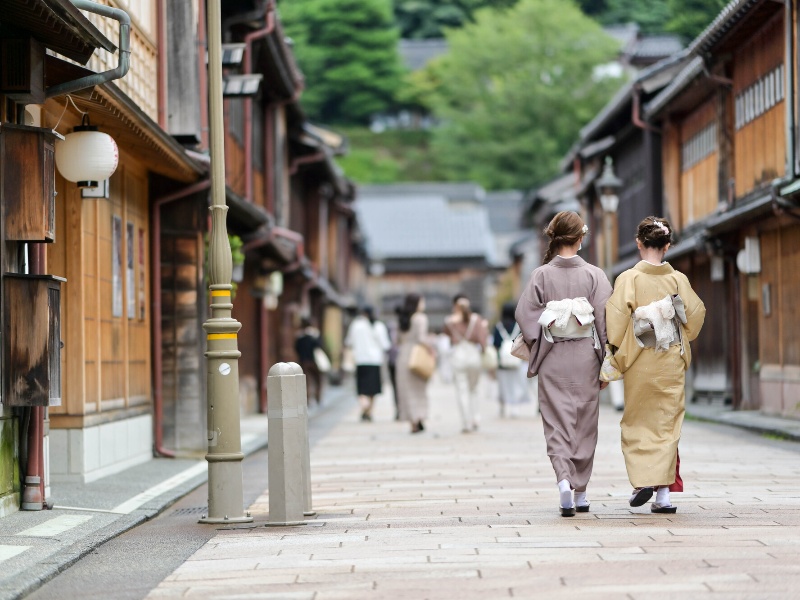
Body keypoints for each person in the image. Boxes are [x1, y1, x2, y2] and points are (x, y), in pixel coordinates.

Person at [605, 216, 705, 514]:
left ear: (639, 243)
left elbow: (616, 322)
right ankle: (663, 496)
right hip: (670, 358)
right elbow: (695, 316)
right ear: (668, 246)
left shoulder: (628, 279)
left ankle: (643, 480)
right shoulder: (678, 280)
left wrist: (615, 354)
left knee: (638, 420)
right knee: (667, 423)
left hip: (639, 359)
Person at [515, 211, 612, 517]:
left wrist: (541, 341)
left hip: (553, 356)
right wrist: (607, 360)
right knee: (584, 421)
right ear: (581, 238)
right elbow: (606, 321)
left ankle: (563, 482)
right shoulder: (595, 275)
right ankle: (580, 491)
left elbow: (525, 315)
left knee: (556, 421)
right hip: (586, 356)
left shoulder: (541, 275)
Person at [444, 294, 488, 433]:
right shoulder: (476, 319)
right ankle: (476, 417)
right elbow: (482, 340)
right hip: (473, 357)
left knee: (462, 390)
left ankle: (465, 422)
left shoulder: (449, 321)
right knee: (474, 389)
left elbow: (448, 338)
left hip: (458, 356)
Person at [344, 305, 391, 422]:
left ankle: (365, 407)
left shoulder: (356, 325)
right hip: (375, 361)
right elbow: (386, 345)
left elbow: (349, 341)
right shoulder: (379, 326)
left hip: (360, 360)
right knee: (373, 389)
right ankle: (369, 410)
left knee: (362, 387)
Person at [395, 294, 431, 434]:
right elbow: (422, 338)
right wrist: (431, 349)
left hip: (403, 355)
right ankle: (419, 417)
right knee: (419, 390)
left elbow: (398, 340)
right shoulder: (420, 318)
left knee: (406, 390)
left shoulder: (402, 319)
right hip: (417, 355)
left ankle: (412, 421)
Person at [493, 302, 529, 418]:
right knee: (515, 385)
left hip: (502, 362)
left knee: (503, 385)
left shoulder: (498, 326)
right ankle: (515, 408)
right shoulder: (518, 326)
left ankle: (503, 407)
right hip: (516, 360)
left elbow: (496, 344)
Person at [295, 317, 324, 406]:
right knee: (318, 380)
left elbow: (296, 348)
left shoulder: (300, 337)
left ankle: (307, 399)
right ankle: (317, 397)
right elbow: (319, 346)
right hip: (314, 361)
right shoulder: (314, 335)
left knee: (306, 381)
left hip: (303, 361)